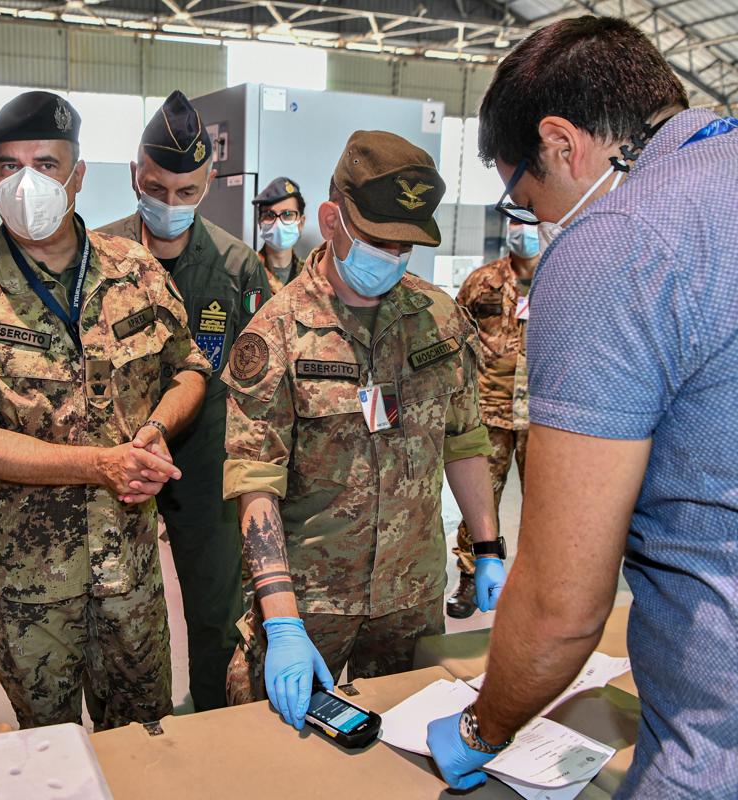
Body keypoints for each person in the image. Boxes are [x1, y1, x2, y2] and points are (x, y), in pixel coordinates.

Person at [425, 18, 738, 798]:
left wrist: (482, 725)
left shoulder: (621, 241)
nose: (544, 223)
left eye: (532, 196)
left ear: (562, 144)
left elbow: (565, 606)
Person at [0, 91, 210, 730]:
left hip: (132, 583)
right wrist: (100, 463)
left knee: (146, 747)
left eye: (46, 163)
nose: (26, 181)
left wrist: (154, 428)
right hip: (33, 594)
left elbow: (192, 369)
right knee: (49, 759)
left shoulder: (137, 270)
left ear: (79, 176)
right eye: (9, 166)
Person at [223, 131, 505, 729]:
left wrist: (487, 548)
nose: (392, 257)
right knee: (275, 756)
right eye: (377, 240)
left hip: (412, 594)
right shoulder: (276, 333)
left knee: (408, 758)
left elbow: (465, 441)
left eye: (406, 246)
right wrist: (281, 620)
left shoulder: (439, 318)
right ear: (331, 220)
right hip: (310, 600)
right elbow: (256, 482)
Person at [99, 90, 271, 712]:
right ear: (135, 177)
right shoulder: (101, 257)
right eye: (156, 188)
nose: (169, 205)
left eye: (186, 193)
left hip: (206, 462)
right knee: (120, 616)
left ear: (208, 184)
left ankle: (211, 727)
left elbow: (257, 382)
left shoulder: (236, 266)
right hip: (120, 462)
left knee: (215, 613)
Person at [445, 220, 540, 618]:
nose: (525, 230)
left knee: (547, 504)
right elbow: (455, 334)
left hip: (543, 413)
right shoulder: (482, 282)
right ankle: (470, 577)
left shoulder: (563, 277)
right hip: (490, 409)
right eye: (517, 222)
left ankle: (539, 586)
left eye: (531, 221)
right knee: (482, 499)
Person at [252, 177, 306, 294]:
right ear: (260, 223)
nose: (278, 223)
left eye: (287, 214)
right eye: (270, 215)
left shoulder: (310, 275)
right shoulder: (247, 270)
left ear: (301, 223)